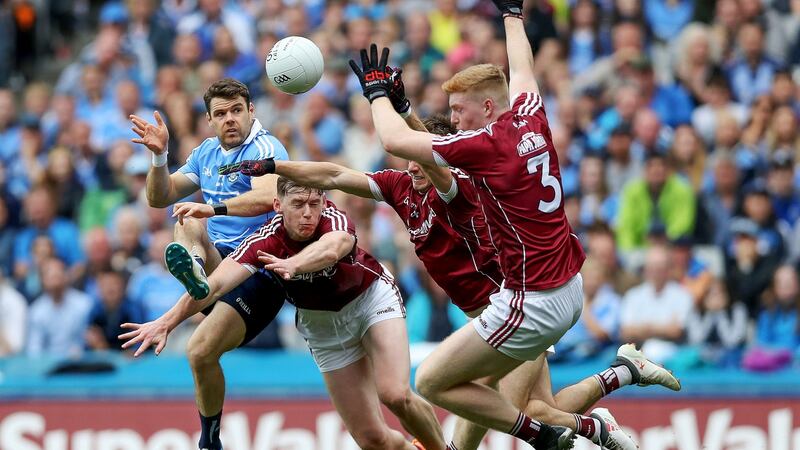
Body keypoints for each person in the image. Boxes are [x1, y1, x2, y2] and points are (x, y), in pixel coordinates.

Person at [223, 111, 679, 449]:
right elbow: (336, 174)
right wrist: (275, 168)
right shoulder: (401, 186)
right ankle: (624, 374)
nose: (414, 165)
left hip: (512, 308)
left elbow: (437, 161)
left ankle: (602, 414)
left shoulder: (454, 187)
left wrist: (400, 111)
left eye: (422, 158)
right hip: (484, 317)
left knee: (506, 410)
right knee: (536, 407)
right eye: (409, 158)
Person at [346, 1, 676, 447]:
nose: (455, 120)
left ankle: (548, 436)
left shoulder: (485, 145)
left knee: (433, 384)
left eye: (459, 110)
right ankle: (617, 381)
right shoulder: (532, 113)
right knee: (524, 401)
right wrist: (512, 15)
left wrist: (376, 95)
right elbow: (521, 68)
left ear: (486, 107)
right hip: (568, 286)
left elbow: (396, 141)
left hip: (531, 300)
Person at [122, 178, 443, 450]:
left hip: (370, 302)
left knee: (395, 394)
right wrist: (166, 321)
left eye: (314, 203)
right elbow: (215, 285)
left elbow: (334, 247)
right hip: (324, 329)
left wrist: (295, 264)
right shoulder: (265, 241)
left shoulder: (334, 219)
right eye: (299, 204)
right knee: (373, 439)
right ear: (278, 205)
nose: (308, 213)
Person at [123, 78, 289, 450]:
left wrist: (212, 207)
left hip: (259, 273)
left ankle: (207, 441)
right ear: (210, 121)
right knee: (185, 220)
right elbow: (159, 197)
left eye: (236, 110)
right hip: (219, 263)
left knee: (199, 350)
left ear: (251, 111)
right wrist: (158, 157)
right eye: (220, 114)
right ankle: (196, 270)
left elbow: (267, 198)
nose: (229, 119)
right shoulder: (205, 153)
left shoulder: (266, 147)